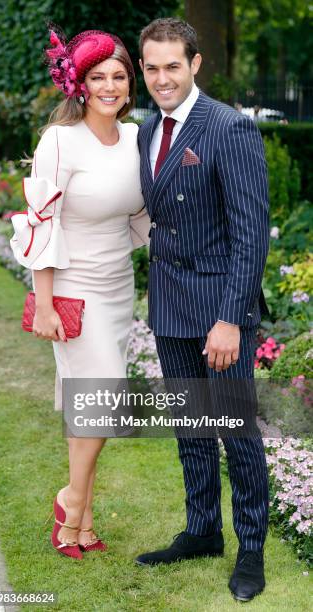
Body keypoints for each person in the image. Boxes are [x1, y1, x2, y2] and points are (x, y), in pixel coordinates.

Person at [135, 18, 270, 602]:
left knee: (235, 432)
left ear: (195, 64)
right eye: (152, 66)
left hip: (219, 309)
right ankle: (201, 531)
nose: (161, 77)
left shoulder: (230, 128)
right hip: (169, 301)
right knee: (191, 427)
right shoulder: (146, 130)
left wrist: (229, 319)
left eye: (172, 65)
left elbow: (252, 234)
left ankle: (252, 549)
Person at [10, 26, 150, 560]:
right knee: (105, 397)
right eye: (99, 77)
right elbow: (41, 223)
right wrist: (44, 303)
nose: (110, 87)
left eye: (118, 77)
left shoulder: (137, 137)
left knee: (88, 406)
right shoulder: (60, 141)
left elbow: (143, 210)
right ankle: (70, 499)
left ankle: (82, 521)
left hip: (118, 287)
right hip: (73, 289)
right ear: (80, 84)